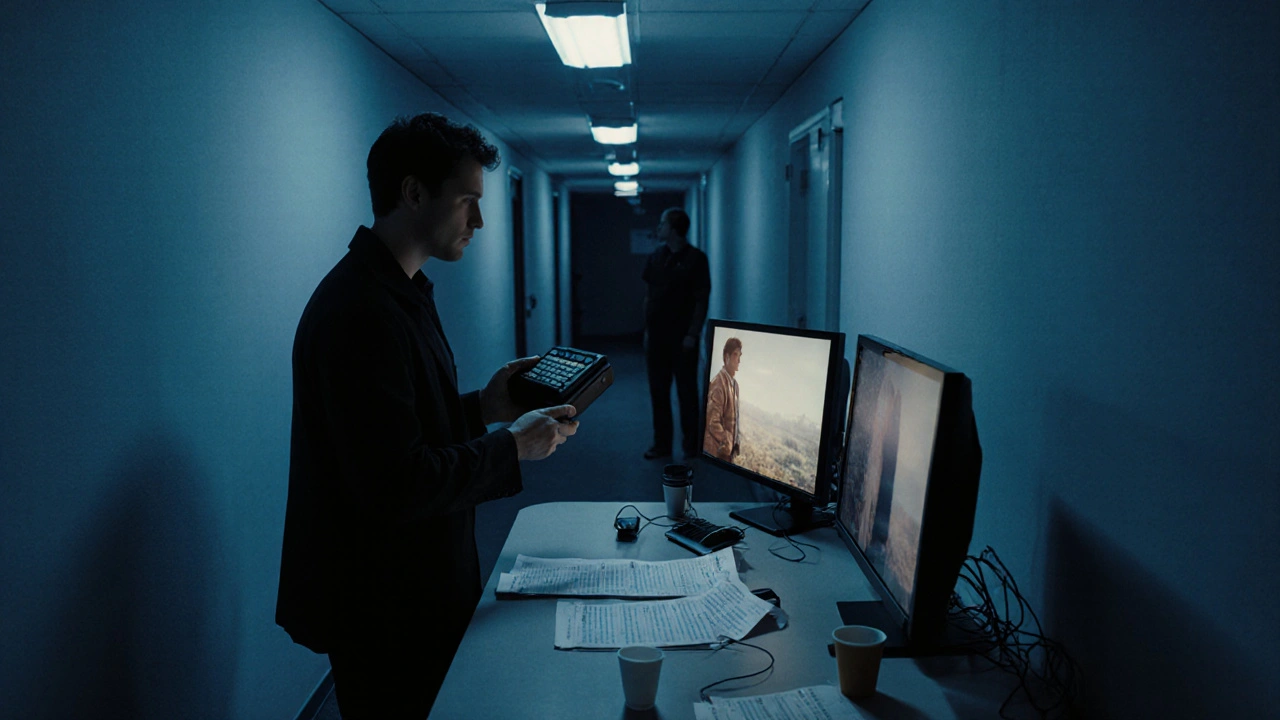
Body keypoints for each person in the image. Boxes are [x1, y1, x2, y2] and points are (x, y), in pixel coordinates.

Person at [275, 112, 578, 720]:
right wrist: (512, 445)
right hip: (382, 605)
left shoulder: (400, 289)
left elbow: (396, 432)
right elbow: (396, 482)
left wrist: (484, 408)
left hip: (412, 589)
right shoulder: (359, 312)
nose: (480, 221)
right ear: (413, 193)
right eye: (467, 200)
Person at [641, 207, 710, 460]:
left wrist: (693, 334)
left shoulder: (696, 260)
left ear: (674, 229)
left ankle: (691, 446)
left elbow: (702, 300)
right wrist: (647, 330)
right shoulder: (656, 257)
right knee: (658, 393)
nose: (659, 228)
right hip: (657, 337)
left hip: (683, 340)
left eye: (662, 224)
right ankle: (662, 445)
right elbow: (649, 297)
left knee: (687, 393)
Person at [703, 337, 742, 462]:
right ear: (726, 357)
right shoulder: (717, 384)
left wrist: (736, 441)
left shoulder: (735, 385)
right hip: (716, 451)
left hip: (727, 452)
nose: (739, 360)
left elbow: (735, 418)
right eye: (736, 355)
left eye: (740, 355)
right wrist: (727, 440)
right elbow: (712, 423)